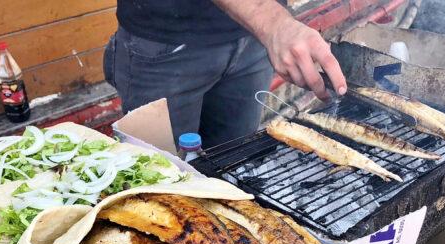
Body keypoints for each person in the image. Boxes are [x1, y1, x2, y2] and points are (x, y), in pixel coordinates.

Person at [105, 0, 347, 148]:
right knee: (160, 184)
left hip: (254, 39)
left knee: (232, 169)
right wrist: (275, 23)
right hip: (163, 45)